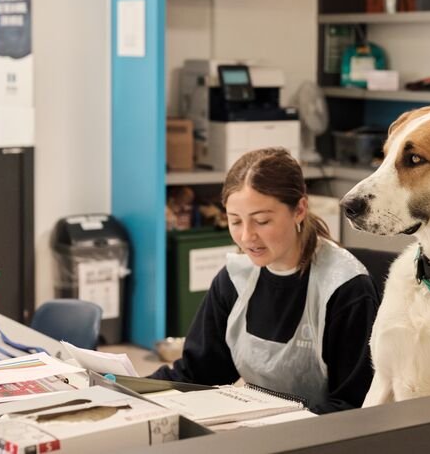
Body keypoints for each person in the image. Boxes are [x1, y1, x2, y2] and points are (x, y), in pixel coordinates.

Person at [151, 147, 379, 413]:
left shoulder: (346, 288)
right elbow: (196, 374)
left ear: (299, 210)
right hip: (262, 431)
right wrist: (125, 390)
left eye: (261, 221)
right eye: (235, 222)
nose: (247, 237)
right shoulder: (234, 279)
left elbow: (353, 405)